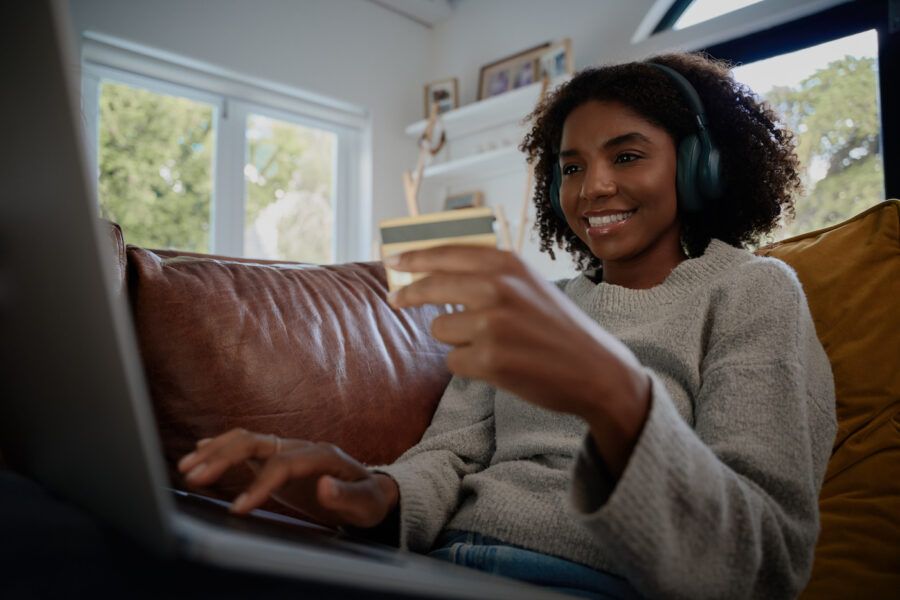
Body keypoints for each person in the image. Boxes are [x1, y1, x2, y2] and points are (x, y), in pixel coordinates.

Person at [177, 52, 837, 599]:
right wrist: (375, 492)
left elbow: (763, 565)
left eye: (627, 156)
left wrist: (616, 397)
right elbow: (452, 453)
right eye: (571, 167)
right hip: (434, 570)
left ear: (698, 167)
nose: (593, 187)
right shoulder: (540, 304)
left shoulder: (752, 290)